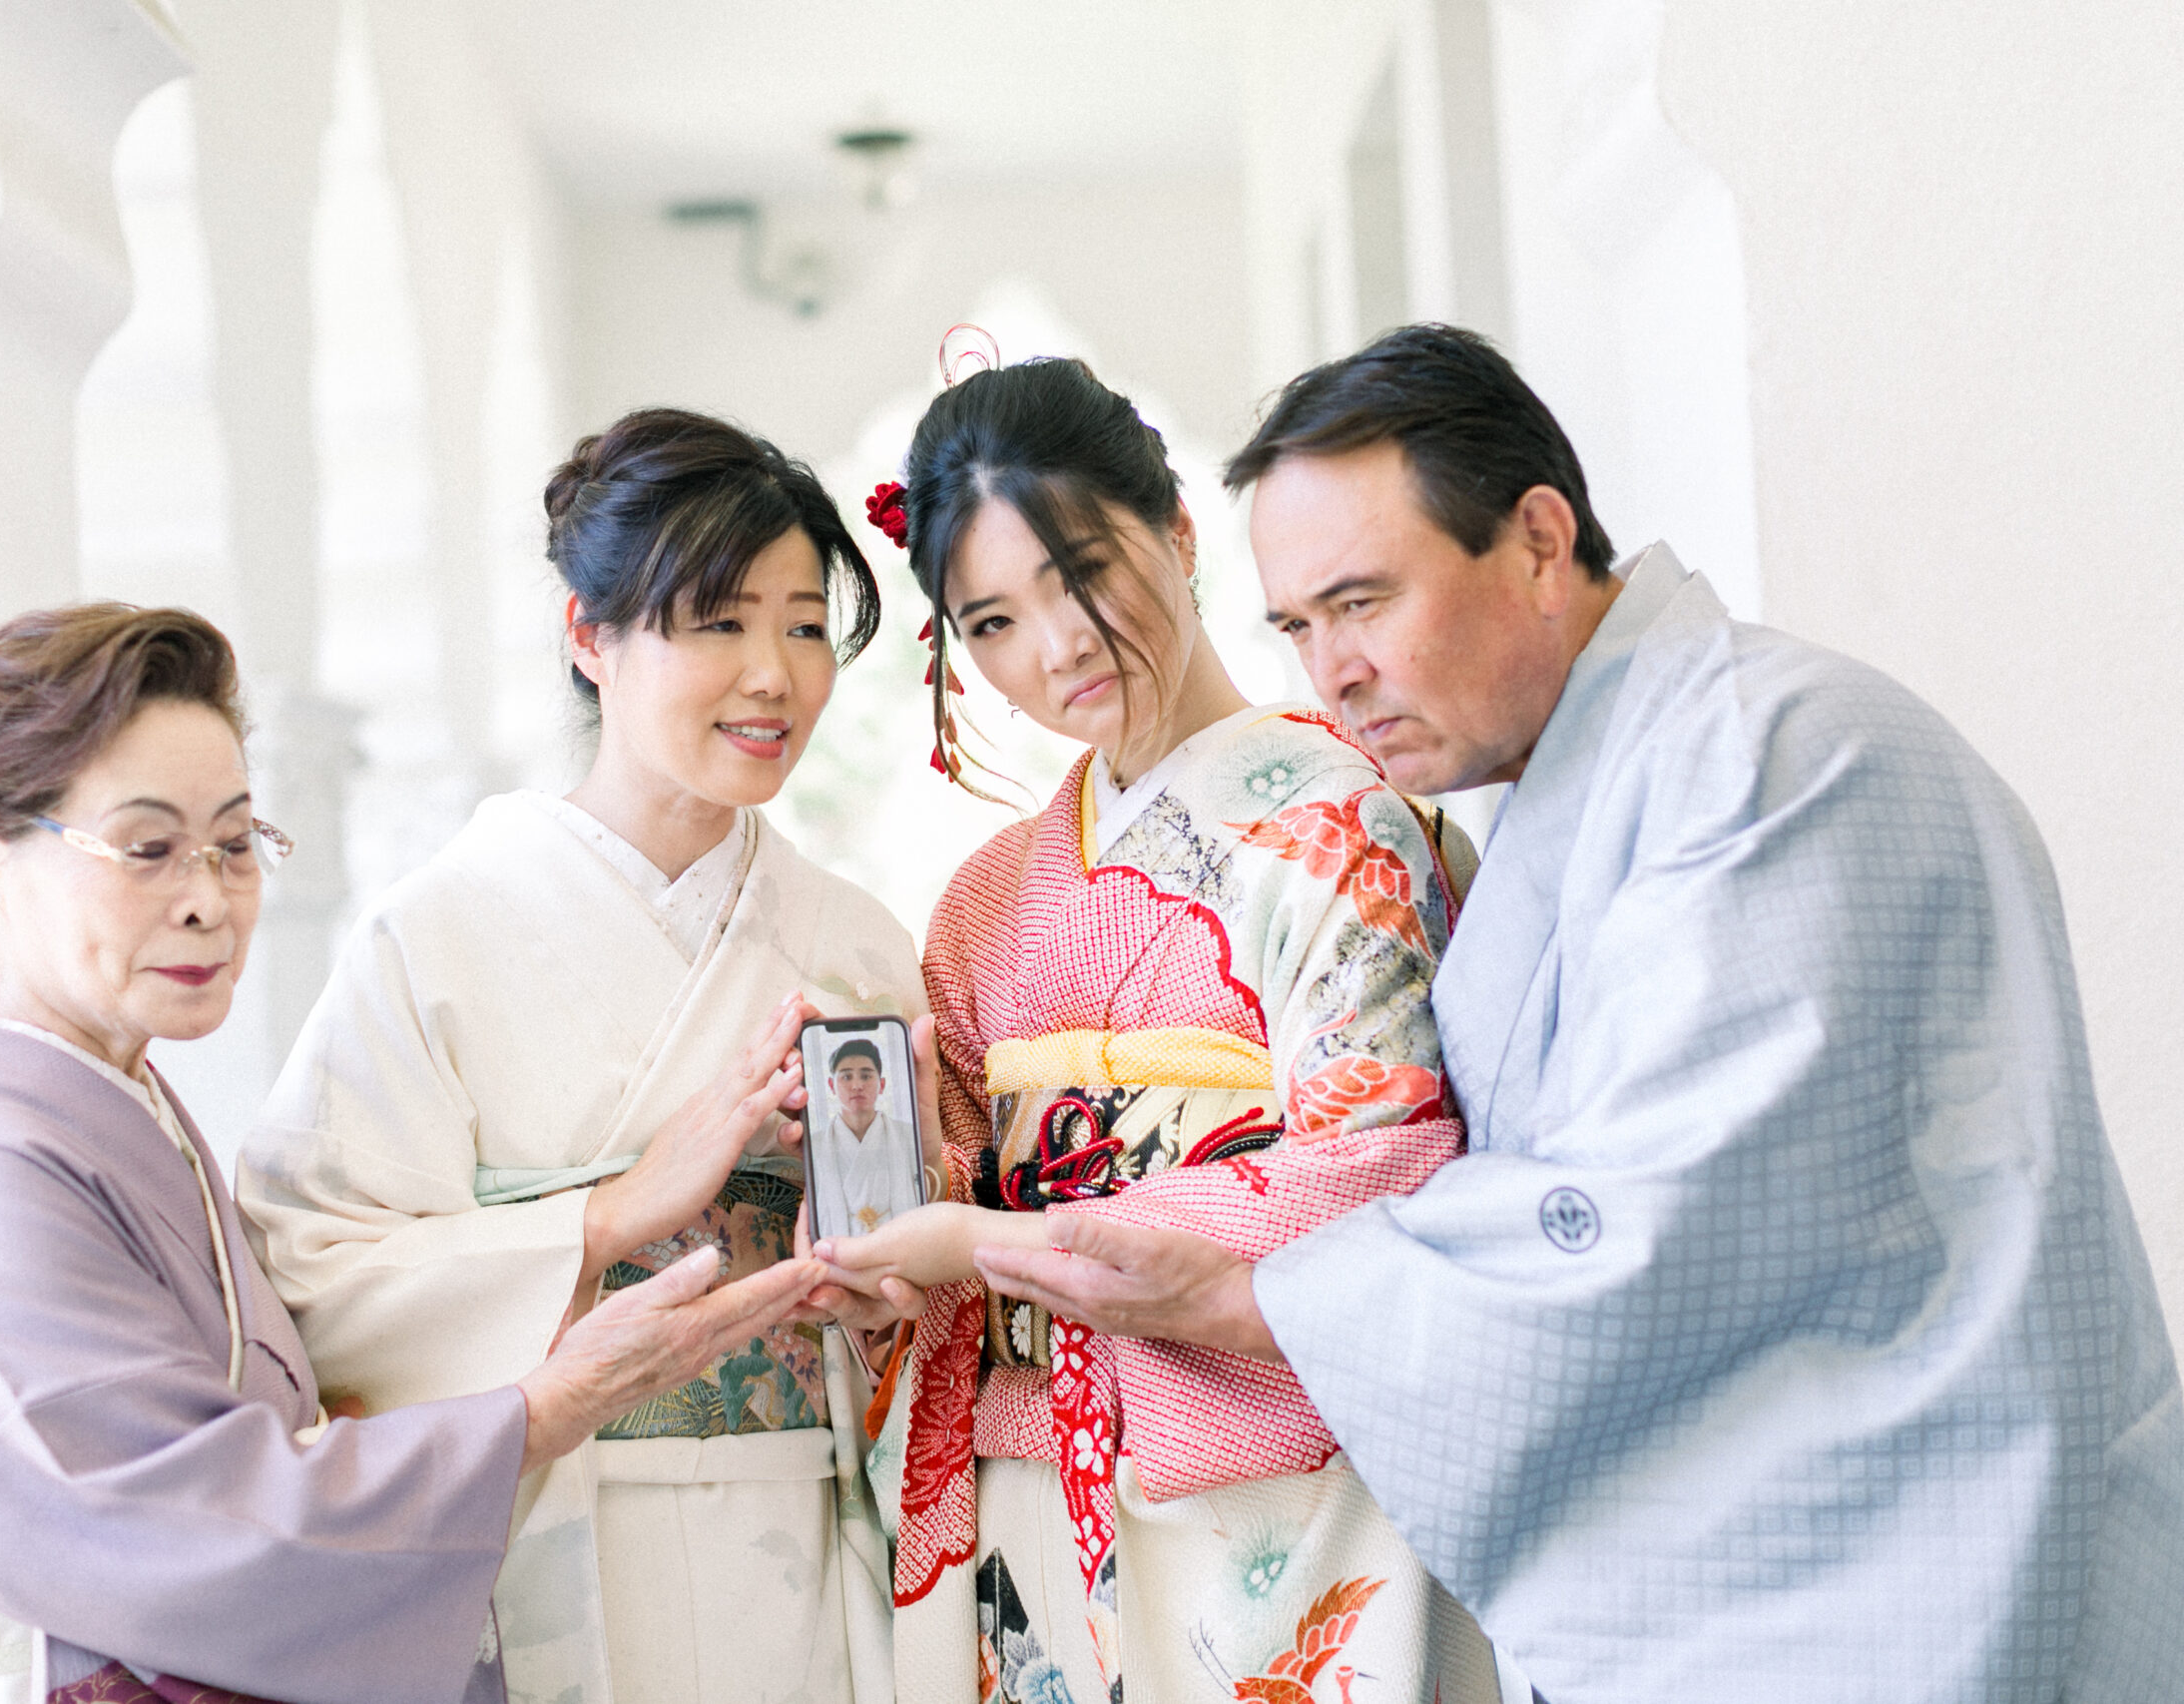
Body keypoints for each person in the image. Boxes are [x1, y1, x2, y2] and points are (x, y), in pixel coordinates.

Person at [971, 324, 2184, 1702]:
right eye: (1298, 627)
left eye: (1364, 602)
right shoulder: (1596, 785)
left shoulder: (1772, 761)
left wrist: (1246, 1288)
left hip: (1902, 1560)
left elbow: (1652, 1221)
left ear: (1541, 541)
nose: (1333, 673)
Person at [0, 603, 823, 1704]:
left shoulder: (112, 1113)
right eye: (147, 848)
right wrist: (540, 1409)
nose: (209, 900)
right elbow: (158, 1527)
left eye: (233, 844)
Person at [821, 355, 1500, 1704]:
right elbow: (950, 1177)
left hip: (1288, 1491)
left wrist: (1005, 1243)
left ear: (1178, 532)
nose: (1057, 645)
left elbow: (1377, 1173)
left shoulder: (1347, 830)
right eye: (994, 620)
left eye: (1081, 572)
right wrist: (874, 1221)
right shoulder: (987, 898)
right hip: (1032, 1487)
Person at [237, 410, 928, 1704]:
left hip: (804, 1552)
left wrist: (890, 1291)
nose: (773, 672)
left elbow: (915, 1295)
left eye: (804, 622)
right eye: (718, 620)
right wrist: (612, 1213)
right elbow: (304, 1265)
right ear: (586, 634)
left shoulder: (857, 941)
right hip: (549, 1526)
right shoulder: (434, 932)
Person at [817, 1038, 920, 1237]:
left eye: (866, 1076)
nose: (857, 1085)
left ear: (881, 1084)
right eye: (846, 1077)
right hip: (838, 1248)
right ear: (831, 1085)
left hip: (897, 1243)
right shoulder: (816, 1143)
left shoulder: (907, 1135)